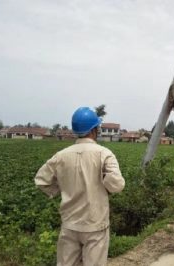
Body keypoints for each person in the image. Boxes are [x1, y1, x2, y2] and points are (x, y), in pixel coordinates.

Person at [34, 107, 125, 266]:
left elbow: (41, 180)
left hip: (70, 224)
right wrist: (106, 183)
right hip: (95, 224)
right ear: (94, 130)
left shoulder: (61, 155)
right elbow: (117, 185)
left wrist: (59, 189)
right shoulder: (104, 154)